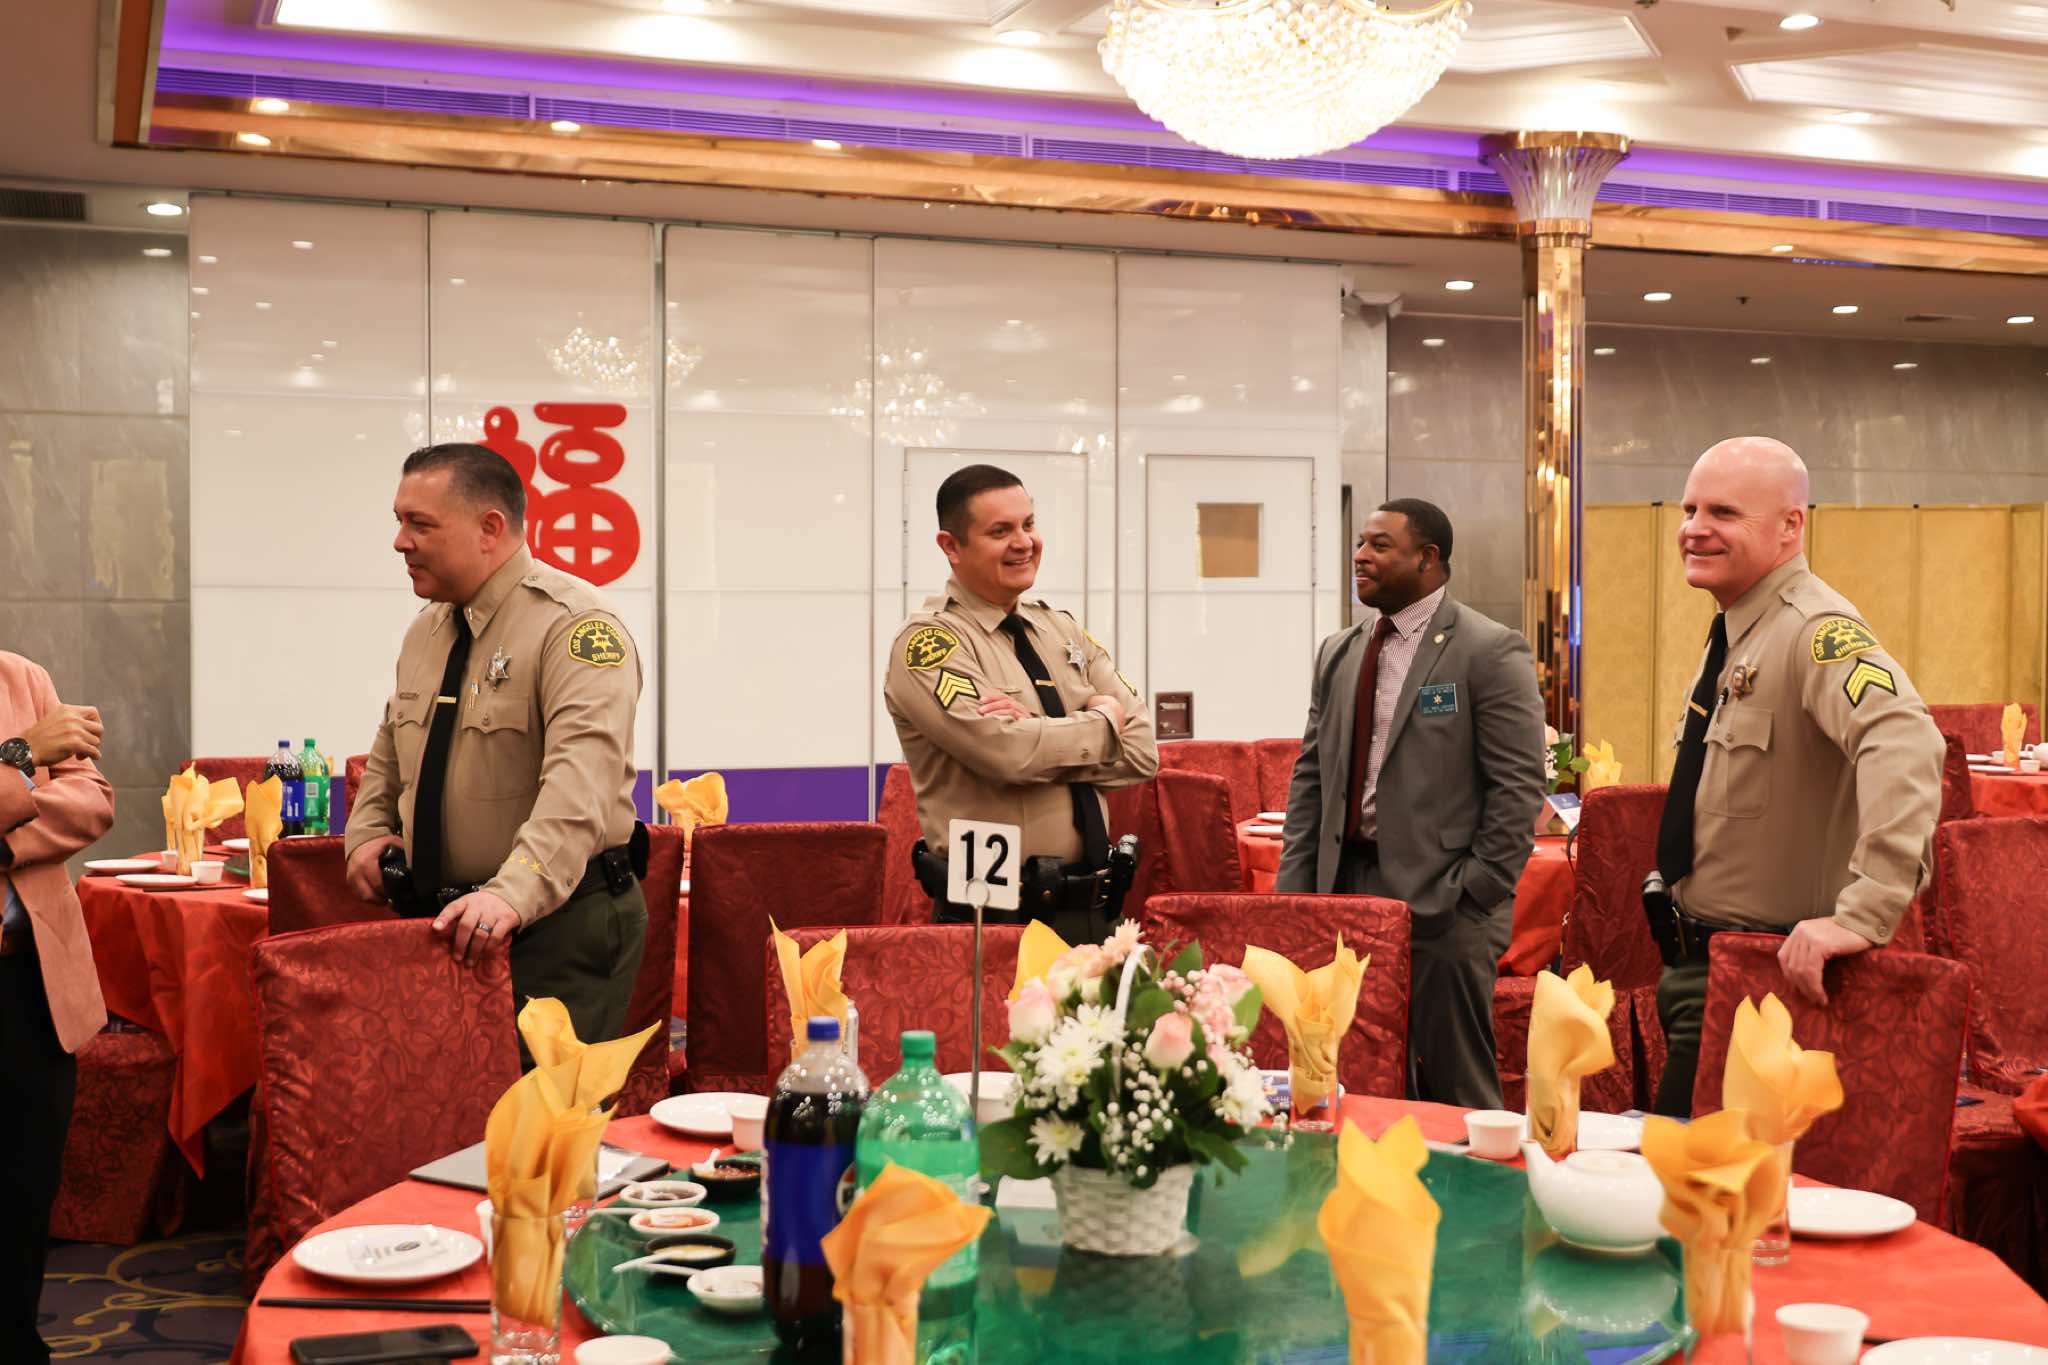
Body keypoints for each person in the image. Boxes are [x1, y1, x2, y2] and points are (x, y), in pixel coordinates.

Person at [1647, 437, 1943, 1115]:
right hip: (1707, 972)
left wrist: (1865, 913)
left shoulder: (1816, 630)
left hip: (1768, 988)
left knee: (1691, 1179)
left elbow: (1905, 741)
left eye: (1723, 512)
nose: (1694, 528)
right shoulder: (1740, 632)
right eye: (1690, 509)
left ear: (1790, 525)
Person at [344, 443, 648, 1045]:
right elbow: (389, 753)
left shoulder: (576, 627)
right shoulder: (428, 629)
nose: (400, 542)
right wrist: (367, 832)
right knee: (448, 1107)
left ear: (490, 528)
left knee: (540, 1106)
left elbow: (579, 791)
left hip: (559, 930)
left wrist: (511, 894)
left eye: (420, 524)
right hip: (445, 925)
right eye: (399, 521)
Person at [1275, 498, 1546, 1109]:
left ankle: (1476, 1174)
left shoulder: (1487, 649)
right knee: (1350, 1078)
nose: (1360, 556)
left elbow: (1518, 787)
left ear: (1427, 559)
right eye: (1359, 544)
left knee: (1457, 1086)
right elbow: (1311, 778)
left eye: (1379, 545)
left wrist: (1474, 892)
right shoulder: (1339, 651)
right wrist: (1295, 899)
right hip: (1343, 893)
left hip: (1445, 906)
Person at [884, 464, 1158, 943]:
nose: (1024, 542)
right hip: (993, 918)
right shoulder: (930, 645)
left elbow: (1142, 752)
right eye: (1000, 531)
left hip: (1096, 914)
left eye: (1028, 524)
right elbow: (1005, 754)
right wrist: (1102, 720)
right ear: (951, 546)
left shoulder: (1062, 630)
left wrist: (1036, 729)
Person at [0, 659, 111, 1364]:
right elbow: (52, 792)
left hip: (33, 979)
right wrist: (21, 757)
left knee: (25, 1190)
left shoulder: (21, 678)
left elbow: (94, 800)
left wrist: (4, 835)